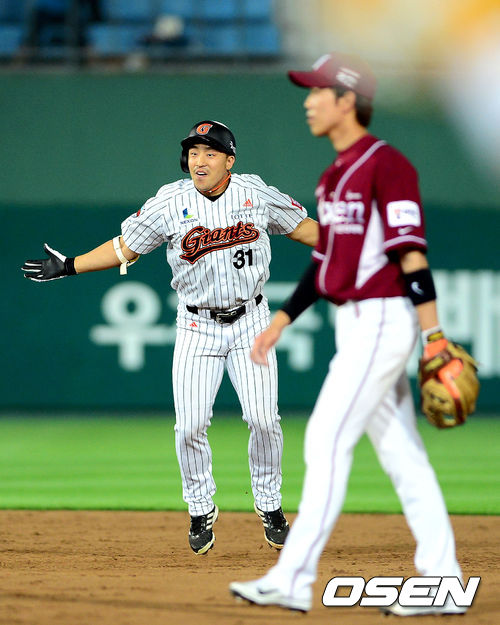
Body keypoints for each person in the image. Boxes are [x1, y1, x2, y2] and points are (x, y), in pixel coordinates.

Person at [229, 53, 467, 615]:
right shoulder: (334, 175)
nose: (308, 102)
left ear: (347, 101)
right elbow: (327, 258)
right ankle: (444, 582)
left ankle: (291, 579)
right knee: (404, 456)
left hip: (383, 319)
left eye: (317, 92)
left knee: (326, 439)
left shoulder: (388, 165)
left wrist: (434, 335)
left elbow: (411, 253)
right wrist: (282, 319)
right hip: (356, 321)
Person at [22, 120, 319, 556]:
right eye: (193, 152)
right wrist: (70, 265)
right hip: (197, 326)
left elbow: (303, 228)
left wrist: (353, 246)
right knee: (190, 425)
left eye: (210, 153)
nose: (199, 160)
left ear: (229, 161)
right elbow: (125, 247)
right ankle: (200, 509)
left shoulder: (255, 193)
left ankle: (270, 505)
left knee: (263, 419)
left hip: (251, 321)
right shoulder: (170, 202)